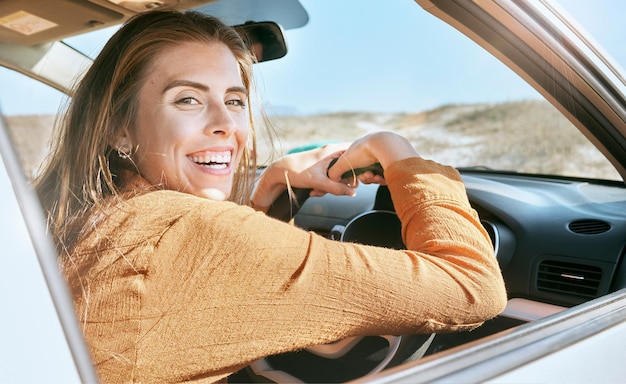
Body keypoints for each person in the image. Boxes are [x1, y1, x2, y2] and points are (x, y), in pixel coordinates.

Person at [33, 9, 507, 384]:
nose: (226, 124)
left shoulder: (80, 216)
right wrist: (399, 153)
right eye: (188, 99)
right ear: (119, 128)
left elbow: (203, 304)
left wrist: (269, 192)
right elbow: (473, 287)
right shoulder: (193, 233)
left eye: (235, 100)